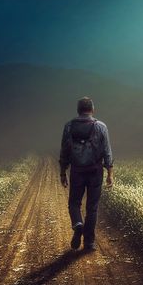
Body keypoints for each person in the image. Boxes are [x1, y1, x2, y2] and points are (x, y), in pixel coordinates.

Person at [59, 96, 114, 251]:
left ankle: (77, 224)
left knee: (74, 203)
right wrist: (110, 173)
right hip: (95, 171)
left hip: (77, 170)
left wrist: (63, 172)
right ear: (92, 109)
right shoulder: (101, 126)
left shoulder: (69, 126)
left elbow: (64, 150)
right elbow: (107, 151)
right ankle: (89, 242)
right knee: (92, 207)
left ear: (78, 110)